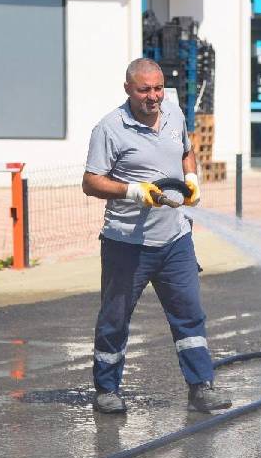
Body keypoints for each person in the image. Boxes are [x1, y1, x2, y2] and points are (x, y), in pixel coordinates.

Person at [82, 57, 232, 414]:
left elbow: (186, 152)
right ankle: (107, 389)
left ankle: (200, 387)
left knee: (189, 314)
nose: (153, 96)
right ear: (128, 89)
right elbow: (91, 182)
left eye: (158, 88)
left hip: (175, 239)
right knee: (115, 318)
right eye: (144, 89)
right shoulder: (110, 129)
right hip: (127, 244)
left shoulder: (174, 114)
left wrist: (192, 179)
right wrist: (133, 192)